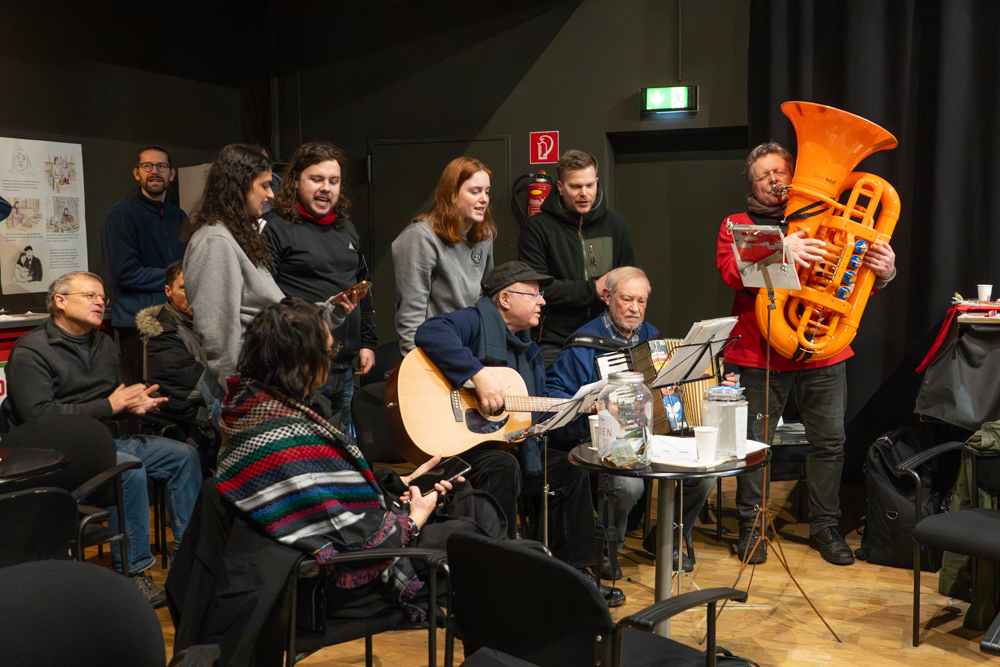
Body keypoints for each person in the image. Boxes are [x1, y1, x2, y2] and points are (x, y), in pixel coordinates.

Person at [216, 298, 460, 618]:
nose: (331, 360)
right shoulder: (286, 436)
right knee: (470, 531)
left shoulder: (248, 406)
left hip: (292, 565)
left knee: (464, 506)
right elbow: (356, 541)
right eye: (329, 351)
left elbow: (320, 494)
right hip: (328, 583)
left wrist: (397, 484)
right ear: (304, 360)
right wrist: (413, 519)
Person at [717, 142, 897, 565]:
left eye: (780, 171)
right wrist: (782, 251)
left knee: (830, 442)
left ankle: (824, 526)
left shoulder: (829, 216)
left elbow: (849, 278)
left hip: (823, 349)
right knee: (754, 444)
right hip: (760, 350)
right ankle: (752, 526)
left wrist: (884, 272)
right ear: (751, 185)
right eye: (763, 176)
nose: (774, 180)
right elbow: (730, 273)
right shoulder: (738, 223)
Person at [415, 260, 626, 606]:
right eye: (533, 294)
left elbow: (535, 414)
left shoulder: (529, 350)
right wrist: (477, 375)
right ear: (505, 299)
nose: (543, 301)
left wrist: (583, 409)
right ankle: (499, 578)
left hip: (511, 446)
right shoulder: (473, 321)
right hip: (463, 451)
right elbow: (430, 332)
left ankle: (573, 575)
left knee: (570, 465)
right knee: (503, 466)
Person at [0, 271, 201, 606]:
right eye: (90, 296)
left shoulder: (103, 343)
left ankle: (188, 556)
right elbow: (40, 417)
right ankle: (134, 571)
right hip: (57, 452)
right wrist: (109, 407)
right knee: (130, 468)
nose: (100, 303)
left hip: (105, 439)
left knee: (183, 456)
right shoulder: (32, 351)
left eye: (103, 298)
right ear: (60, 301)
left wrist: (131, 407)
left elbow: (109, 405)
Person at [546, 266, 719, 575]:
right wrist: (594, 406)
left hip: (656, 436)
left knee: (705, 474)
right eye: (627, 299)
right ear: (607, 297)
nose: (635, 308)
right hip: (606, 440)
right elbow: (554, 398)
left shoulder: (652, 336)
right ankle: (607, 545)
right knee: (627, 485)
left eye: (642, 301)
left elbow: (668, 389)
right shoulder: (583, 344)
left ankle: (667, 539)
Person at [181, 144, 355, 396]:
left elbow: (276, 311)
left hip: (261, 370)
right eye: (264, 185)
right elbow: (216, 332)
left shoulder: (238, 236)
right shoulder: (214, 241)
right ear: (240, 186)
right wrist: (236, 389)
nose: (270, 194)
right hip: (244, 379)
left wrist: (329, 310)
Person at [262, 142, 376, 433]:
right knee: (308, 450)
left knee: (342, 449)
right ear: (295, 180)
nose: (326, 188)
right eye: (316, 179)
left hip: (344, 365)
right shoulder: (273, 227)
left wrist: (367, 342)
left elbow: (361, 287)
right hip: (299, 366)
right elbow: (262, 298)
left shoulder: (346, 228)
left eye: (333, 181)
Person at [518, 149, 635, 367]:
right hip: (555, 341)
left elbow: (630, 282)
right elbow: (537, 289)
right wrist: (593, 289)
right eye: (575, 186)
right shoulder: (537, 228)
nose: (584, 193)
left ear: (597, 182)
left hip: (607, 339)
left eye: (590, 185)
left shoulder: (615, 225)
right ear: (560, 187)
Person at [392, 157, 495, 356]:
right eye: (475, 191)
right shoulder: (421, 237)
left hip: (473, 347)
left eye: (487, 191)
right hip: (436, 348)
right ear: (453, 194)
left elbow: (487, 297)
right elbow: (410, 313)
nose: (484, 199)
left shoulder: (484, 234)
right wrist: (415, 364)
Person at [102, 147, 187, 385]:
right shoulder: (121, 215)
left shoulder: (179, 217)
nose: (154, 171)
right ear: (137, 173)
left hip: (174, 322)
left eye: (162, 166)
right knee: (145, 395)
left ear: (172, 174)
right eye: (147, 166)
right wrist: (175, 279)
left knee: (174, 393)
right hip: (138, 327)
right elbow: (125, 273)